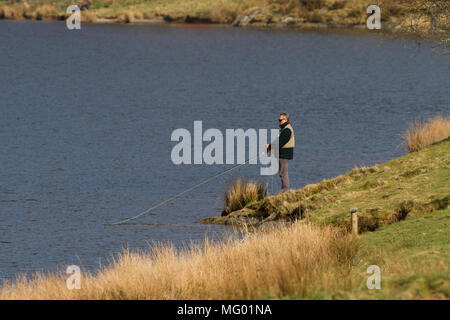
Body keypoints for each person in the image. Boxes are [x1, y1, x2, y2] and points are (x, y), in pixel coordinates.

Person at [266, 113, 295, 192]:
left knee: (283, 173)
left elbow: (280, 143)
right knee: (282, 173)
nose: (279, 122)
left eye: (280, 120)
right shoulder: (284, 129)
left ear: (285, 120)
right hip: (282, 154)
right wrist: (270, 147)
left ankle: (285, 191)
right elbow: (278, 142)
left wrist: (270, 147)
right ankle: (285, 190)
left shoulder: (287, 130)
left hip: (284, 154)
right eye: (278, 120)